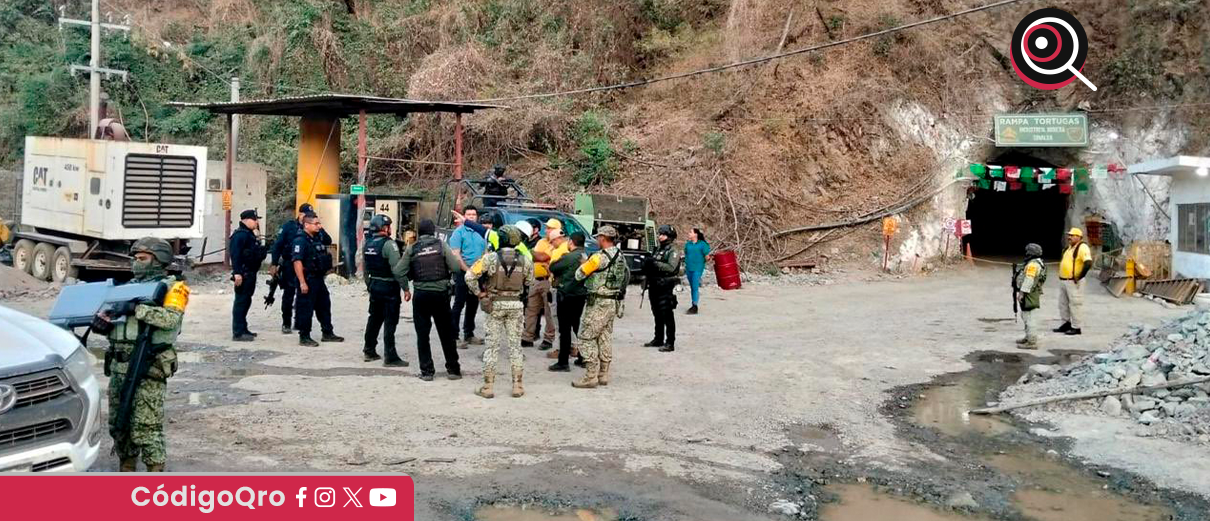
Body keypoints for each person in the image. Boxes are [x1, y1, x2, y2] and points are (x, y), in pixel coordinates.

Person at [90, 237, 189, 471]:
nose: (136, 263)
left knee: (146, 426)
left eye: (142, 259)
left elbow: (170, 320)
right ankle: (127, 468)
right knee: (118, 424)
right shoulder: (126, 289)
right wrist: (103, 325)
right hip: (119, 365)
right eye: (135, 258)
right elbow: (120, 326)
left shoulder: (175, 288)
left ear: (159, 260)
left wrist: (137, 308)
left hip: (148, 365)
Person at [467, 225, 535, 398]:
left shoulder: (490, 258)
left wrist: (479, 293)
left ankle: (488, 387)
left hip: (494, 305)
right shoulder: (526, 260)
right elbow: (529, 282)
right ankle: (518, 386)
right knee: (515, 347)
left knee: (492, 347)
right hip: (516, 305)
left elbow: (469, 276)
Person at [399, 219, 464, 381]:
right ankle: (453, 369)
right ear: (433, 231)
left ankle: (427, 371)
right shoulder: (442, 245)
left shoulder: (412, 248)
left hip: (421, 295)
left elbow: (399, 270)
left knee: (422, 334)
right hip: (441, 294)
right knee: (446, 333)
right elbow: (455, 268)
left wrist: (407, 282)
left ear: (419, 232)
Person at [572, 226, 630, 388]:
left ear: (603, 238)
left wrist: (585, 263)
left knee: (585, 337)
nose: (597, 240)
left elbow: (579, 274)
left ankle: (591, 375)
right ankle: (603, 373)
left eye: (598, 237)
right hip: (612, 301)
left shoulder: (598, 257)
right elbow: (626, 276)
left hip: (597, 302)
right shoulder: (620, 256)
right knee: (604, 336)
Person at [270, 203, 331, 335]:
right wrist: (274, 263)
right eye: (304, 214)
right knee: (289, 294)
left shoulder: (315, 229)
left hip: (310, 269)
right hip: (289, 265)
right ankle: (286, 322)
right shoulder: (289, 227)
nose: (307, 216)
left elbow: (327, 240)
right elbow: (278, 246)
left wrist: (320, 228)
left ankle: (301, 324)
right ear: (300, 214)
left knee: (309, 299)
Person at [362, 214, 411, 367]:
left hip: (375, 285)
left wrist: (369, 285)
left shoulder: (368, 244)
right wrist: (405, 288)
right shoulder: (389, 245)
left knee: (374, 318)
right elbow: (397, 270)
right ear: (385, 228)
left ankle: (369, 350)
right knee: (390, 321)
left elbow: (365, 269)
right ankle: (390, 356)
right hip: (389, 287)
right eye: (389, 226)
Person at [291, 213, 344, 347]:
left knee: (324, 305)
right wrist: (302, 282)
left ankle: (327, 332)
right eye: (316, 224)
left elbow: (327, 241)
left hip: (318, 278)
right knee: (305, 308)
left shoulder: (315, 238)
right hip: (308, 279)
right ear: (306, 225)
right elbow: (297, 262)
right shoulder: (300, 240)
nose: (319, 226)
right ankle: (304, 336)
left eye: (319, 223)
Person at [549, 231, 588, 371]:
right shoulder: (585, 255)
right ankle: (583, 357)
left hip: (567, 294)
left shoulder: (571, 256)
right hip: (580, 294)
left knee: (565, 329)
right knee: (578, 327)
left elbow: (553, 267)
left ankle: (563, 361)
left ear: (571, 242)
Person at [448, 205, 487, 347]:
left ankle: (469, 334)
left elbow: (485, 253)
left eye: (474, 214)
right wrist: (468, 270)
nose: (471, 217)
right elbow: (456, 255)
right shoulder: (458, 233)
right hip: (462, 273)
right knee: (459, 303)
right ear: (464, 216)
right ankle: (454, 336)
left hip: (478, 273)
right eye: (469, 214)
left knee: (473, 303)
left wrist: (479, 271)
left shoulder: (481, 233)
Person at [644, 224, 683, 352]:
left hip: (666, 285)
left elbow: (671, 268)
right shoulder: (658, 249)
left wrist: (655, 263)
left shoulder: (673, 250)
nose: (660, 237)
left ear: (670, 236)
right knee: (656, 314)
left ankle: (670, 342)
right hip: (654, 284)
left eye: (663, 234)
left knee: (666, 314)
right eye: (660, 234)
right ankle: (658, 338)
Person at [230, 209, 267, 341]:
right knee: (241, 301)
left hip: (250, 273)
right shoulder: (240, 235)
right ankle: (238, 332)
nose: (256, 222)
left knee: (246, 301)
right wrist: (237, 273)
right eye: (254, 219)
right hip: (244, 273)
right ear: (246, 220)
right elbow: (235, 256)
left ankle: (243, 328)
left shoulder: (249, 234)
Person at [522, 219, 559, 349]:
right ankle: (527, 337)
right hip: (535, 279)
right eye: (547, 228)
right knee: (530, 309)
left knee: (549, 312)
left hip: (547, 280)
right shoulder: (542, 241)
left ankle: (548, 339)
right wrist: (533, 253)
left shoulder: (556, 244)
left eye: (550, 228)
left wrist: (527, 251)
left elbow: (541, 257)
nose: (547, 230)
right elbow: (535, 256)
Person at [1055, 227, 1092, 336]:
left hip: (1073, 281)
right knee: (1063, 303)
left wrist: (1079, 277)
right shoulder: (1069, 248)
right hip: (1064, 281)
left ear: (1079, 237)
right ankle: (1066, 323)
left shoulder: (1082, 247)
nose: (1069, 237)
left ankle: (1076, 327)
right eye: (1069, 235)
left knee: (1075, 304)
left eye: (1072, 235)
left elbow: (1088, 263)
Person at [1016, 243, 1047, 350]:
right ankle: (1028, 337)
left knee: (1029, 316)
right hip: (1031, 292)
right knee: (1025, 315)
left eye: (1028, 252)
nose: (1026, 253)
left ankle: (1032, 341)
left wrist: (1022, 293)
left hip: (1029, 293)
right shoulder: (1036, 263)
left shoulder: (1033, 265)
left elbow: (1029, 279)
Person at [683, 227, 711, 315]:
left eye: (690, 232)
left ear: (696, 234)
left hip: (697, 268)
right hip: (689, 268)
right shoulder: (688, 244)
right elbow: (686, 254)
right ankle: (693, 304)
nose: (689, 234)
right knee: (692, 287)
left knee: (695, 287)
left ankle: (694, 306)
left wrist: (702, 262)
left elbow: (707, 257)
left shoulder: (702, 244)